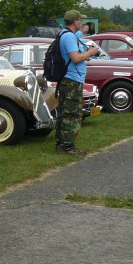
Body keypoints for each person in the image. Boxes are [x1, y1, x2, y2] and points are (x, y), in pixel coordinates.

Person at [55, 9, 100, 155]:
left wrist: (85, 55)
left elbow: (74, 56)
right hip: (72, 80)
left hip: (69, 79)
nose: (82, 22)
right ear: (75, 21)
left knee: (64, 112)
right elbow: (75, 58)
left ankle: (61, 144)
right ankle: (67, 147)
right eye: (80, 19)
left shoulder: (66, 35)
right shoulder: (69, 37)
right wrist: (90, 53)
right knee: (72, 114)